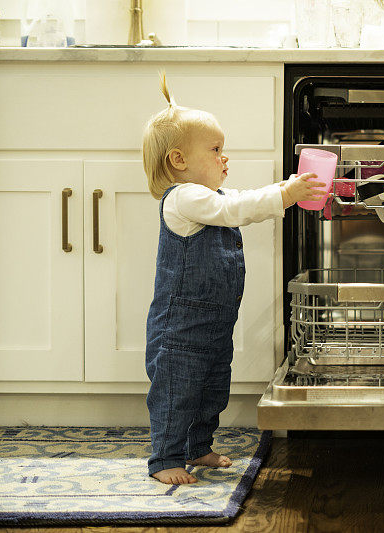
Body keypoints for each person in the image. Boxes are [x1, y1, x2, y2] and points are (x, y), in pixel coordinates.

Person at [141, 73, 325, 485]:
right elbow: (237, 209)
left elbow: (238, 201)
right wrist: (284, 196)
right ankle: (164, 459)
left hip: (213, 324)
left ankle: (198, 446)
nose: (225, 158)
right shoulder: (184, 197)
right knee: (177, 395)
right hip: (180, 329)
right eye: (216, 149)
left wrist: (282, 188)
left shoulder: (210, 198)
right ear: (178, 161)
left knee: (211, 390)